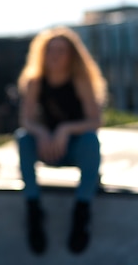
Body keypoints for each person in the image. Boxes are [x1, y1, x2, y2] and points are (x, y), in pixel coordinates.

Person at [15, 26, 107, 255]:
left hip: (75, 150)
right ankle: (33, 210)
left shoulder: (80, 81)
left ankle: (81, 212)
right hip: (47, 149)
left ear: (72, 55)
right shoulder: (35, 82)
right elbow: (25, 120)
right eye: (50, 50)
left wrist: (66, 129)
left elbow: (96, 120)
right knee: (24, 138)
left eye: (61, 50)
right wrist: (42, 133)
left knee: (90, 140)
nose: (55, 55)